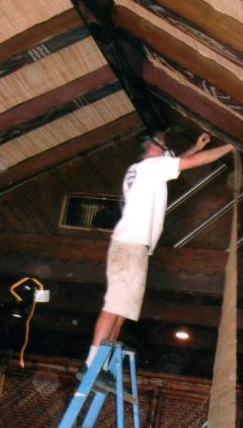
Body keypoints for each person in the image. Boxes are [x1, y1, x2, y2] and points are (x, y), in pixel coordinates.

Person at [81, 130, 234, 373]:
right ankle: (92, 363)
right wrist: (229, 147)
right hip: (130, 246)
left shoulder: (143, 169)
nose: (166, 147)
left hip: (133, 247)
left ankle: (102, 363)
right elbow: (192, 162)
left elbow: (178, 160)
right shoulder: (151, 168)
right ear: (153, 147)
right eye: (163, 143)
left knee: (121, 311)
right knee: (113, 307)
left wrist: (196, 146)